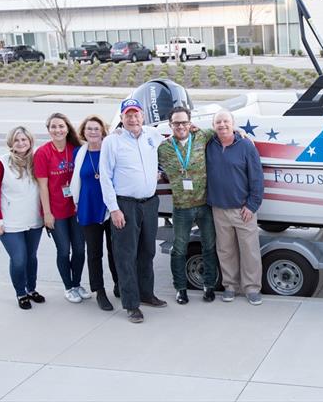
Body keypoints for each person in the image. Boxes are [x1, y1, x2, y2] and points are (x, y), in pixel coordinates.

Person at [99, 98, 168, 323]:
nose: (132, 118)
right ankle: (131, 304)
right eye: (128, 114)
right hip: (125, 205)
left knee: (147, 251)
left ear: (143, 116)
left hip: (149, 203)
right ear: (121, 118)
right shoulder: (112, 141)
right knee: (125, 254)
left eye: (136, 113)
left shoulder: (151, 135)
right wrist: (114, 209)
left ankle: (146, 293)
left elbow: (179, 132)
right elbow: (106, 178)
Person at [158, 106, 219, 304]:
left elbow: (223, 128)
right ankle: (180, 288)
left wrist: (241, 131)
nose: (181, 126)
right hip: (181, 208)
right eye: (176, 123)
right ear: (170, 125)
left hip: (204, 205)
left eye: (184, 122)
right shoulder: (163, 147)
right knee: (179, 249)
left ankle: (209, 286)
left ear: (190, 122)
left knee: (209, 246)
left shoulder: (201, 136)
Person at [206, 110, 264, 305]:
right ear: (213, 126)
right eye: (218, 122)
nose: (222, 125)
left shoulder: (246, 145)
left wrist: (252, 205)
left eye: (226, 121)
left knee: (250, 251)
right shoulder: (209, 145)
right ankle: (230, 286)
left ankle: (252, 288)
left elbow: (257, 178)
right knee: (225, 250)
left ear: (233, 124)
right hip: (219, 209)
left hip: (243, 210)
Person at [0, 127, 46, 309]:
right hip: (10, 223)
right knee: (19, 258)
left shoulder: (37, 159)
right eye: (17, 140)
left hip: (34, 220)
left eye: (24, 139)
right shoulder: (1, 163)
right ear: (11, 143)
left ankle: (31, 289)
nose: (21, 143)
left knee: (31, 257)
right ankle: (21, 292)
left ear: (30, 140)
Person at [34, 113, 88, 304]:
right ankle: (68, 287)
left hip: (75, 209)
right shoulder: (43, 153)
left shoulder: (76, 149)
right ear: (48, 130)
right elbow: (42, 186)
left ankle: (77, 283)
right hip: (56, 212)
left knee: (80, 249)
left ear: (67, 128)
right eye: (53, 127)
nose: (57, 130)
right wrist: (47, 213)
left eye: (61, 126)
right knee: (64, 250)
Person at [70, 115, 119, 311]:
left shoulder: (111, 151)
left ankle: (119, 285)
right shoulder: (78, 153)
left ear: (103, 132)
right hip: (88, 207)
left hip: (110, 207)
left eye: (96, 129)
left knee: (115, 251)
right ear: (83, 132)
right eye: (89, 129)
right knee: (94, 253)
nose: (92, 132)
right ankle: (99, 291)